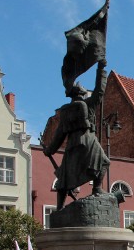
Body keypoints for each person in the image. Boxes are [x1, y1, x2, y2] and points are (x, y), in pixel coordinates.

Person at [43, 61, 110, 210]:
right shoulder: (88, 104)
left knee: (65, 176)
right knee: (104, 162)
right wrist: (101, 69)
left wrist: (50, 149)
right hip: (87, 140)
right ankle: (97, 189)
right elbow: (99, 91)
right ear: (81, 93)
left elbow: (60, 133)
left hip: (72, 144)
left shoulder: (65, 111)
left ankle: (59, 208)